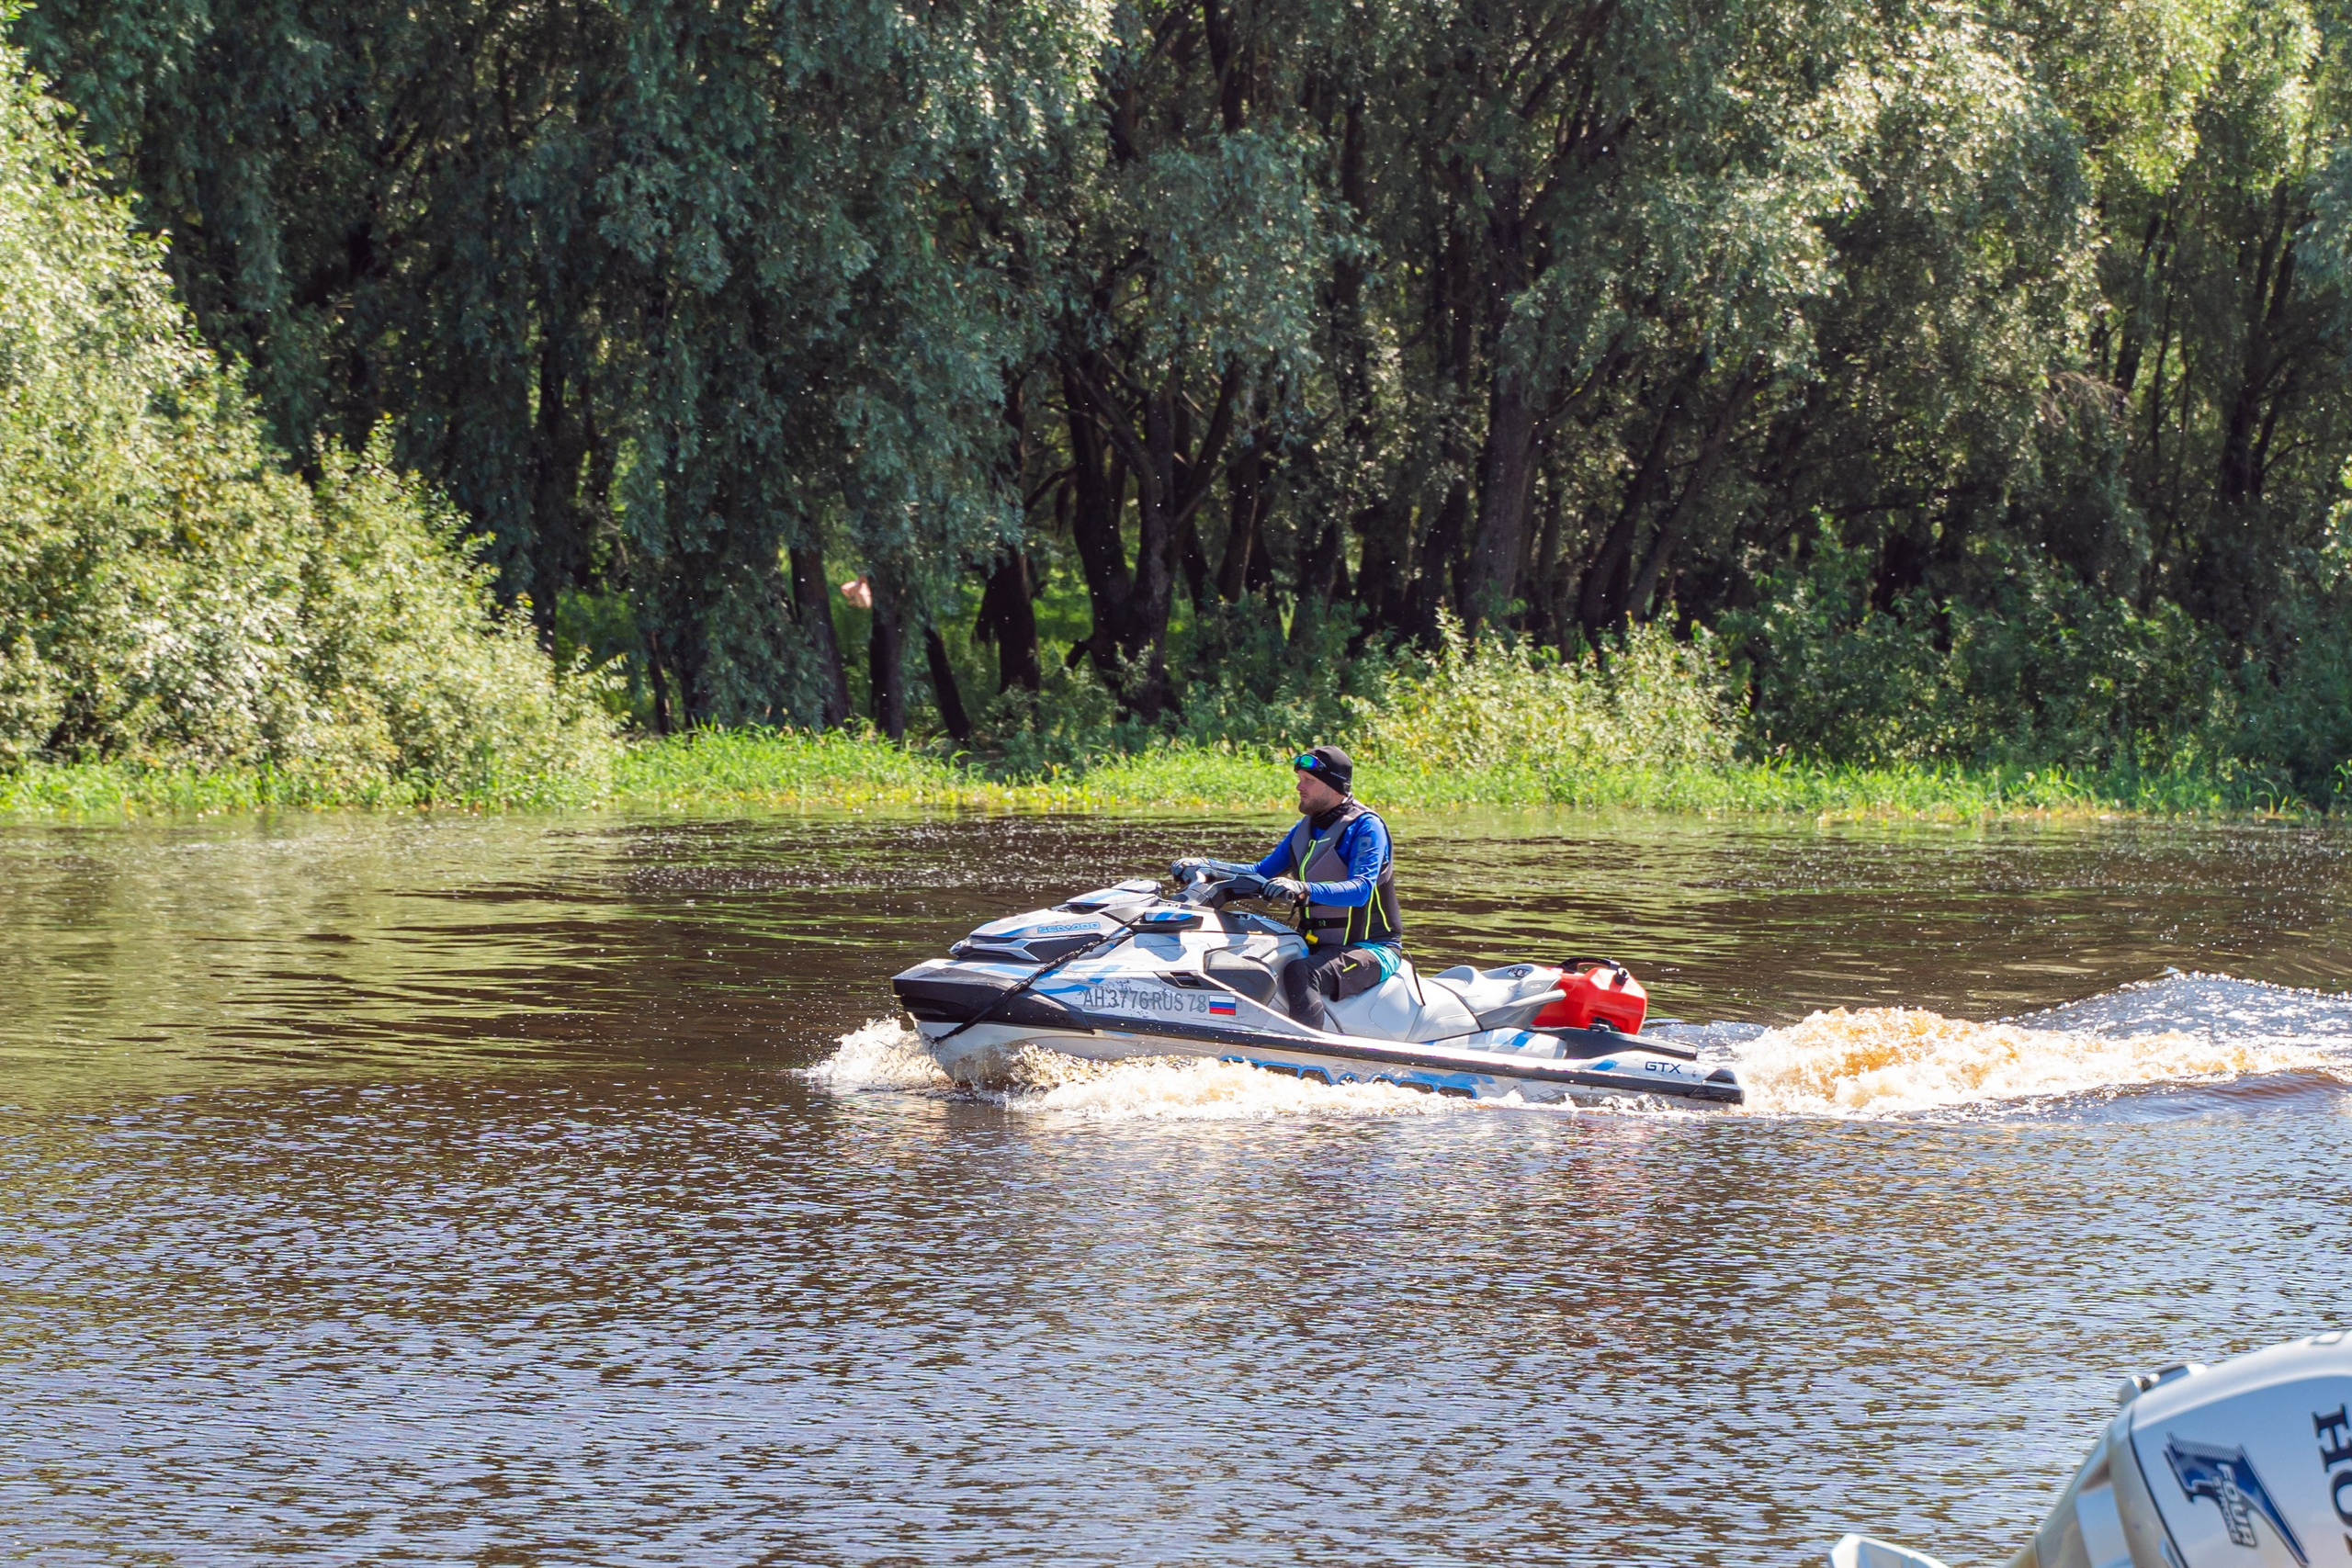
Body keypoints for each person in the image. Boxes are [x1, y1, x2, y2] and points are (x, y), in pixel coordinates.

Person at [1249, 745, 1404, 1032]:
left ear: (1334, 787)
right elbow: (1260, 872)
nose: (1299, 786)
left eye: (1309, 781)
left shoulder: (1367, 827)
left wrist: (1303, 888)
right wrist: (1207, 867)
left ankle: (1308, 1055)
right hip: (1318, 945)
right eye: (1299, 778)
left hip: (1373, 948)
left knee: (1300, 972)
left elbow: (1361, 890)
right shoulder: (1305, 828)